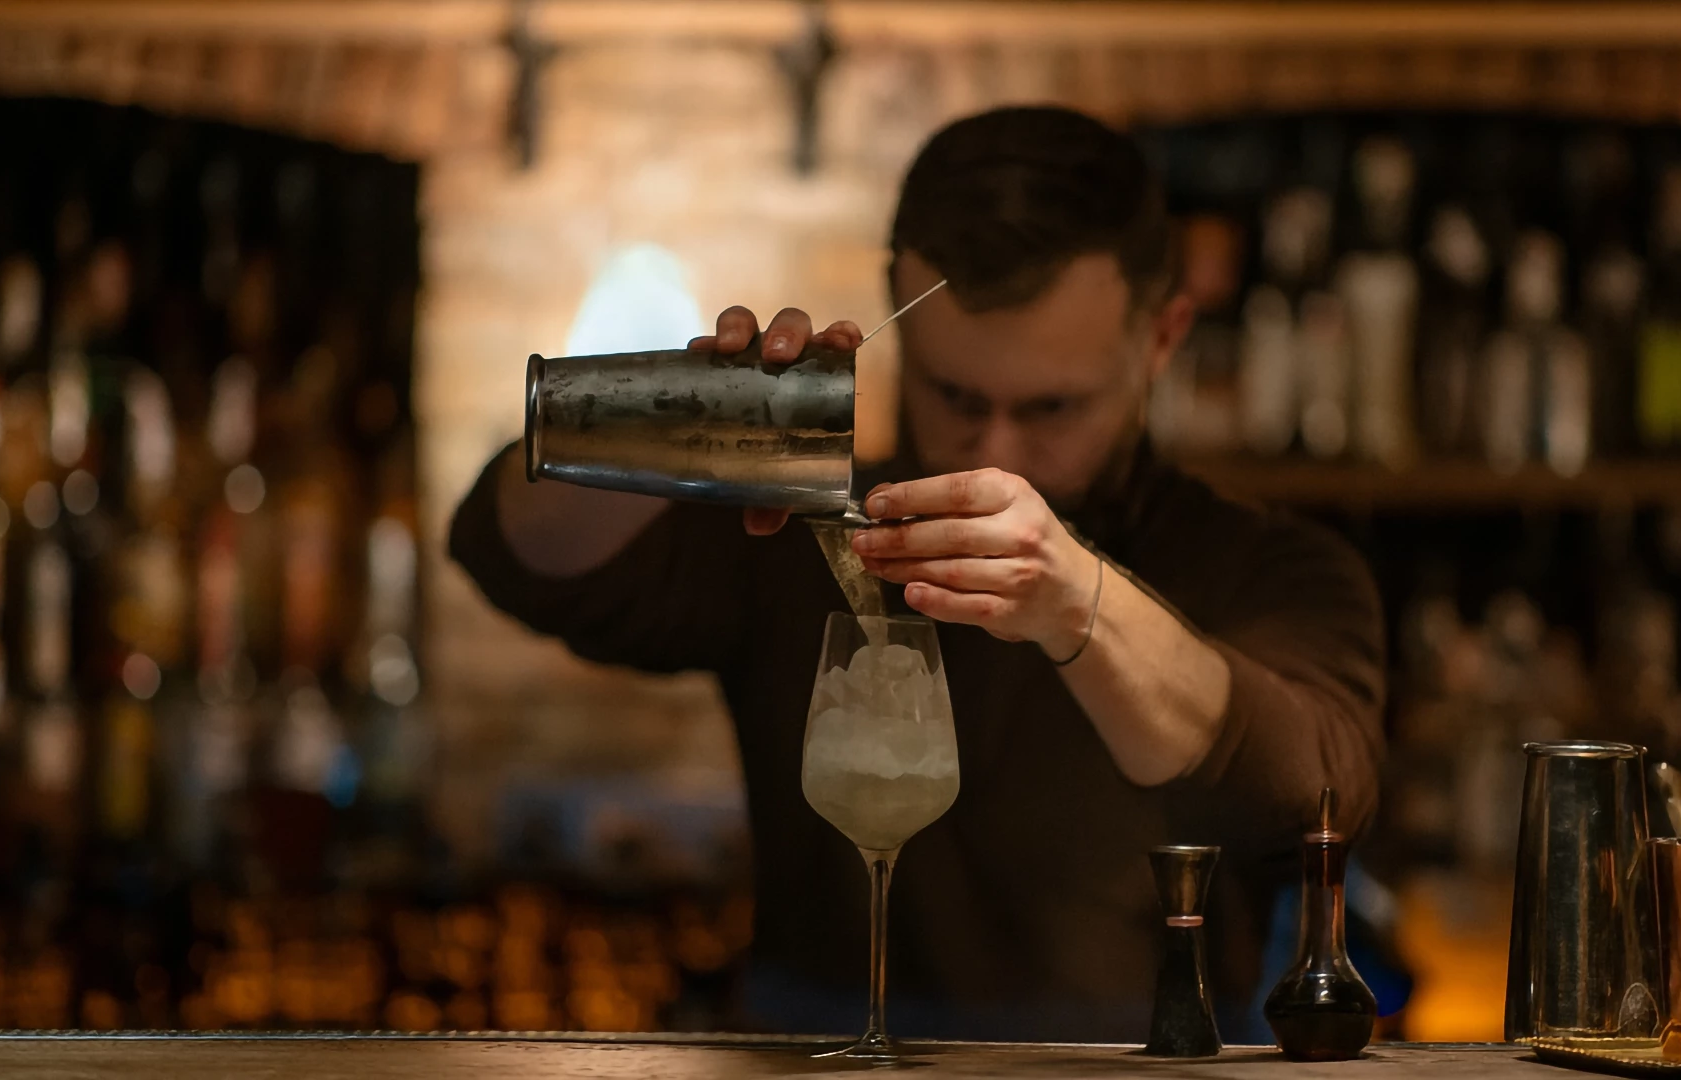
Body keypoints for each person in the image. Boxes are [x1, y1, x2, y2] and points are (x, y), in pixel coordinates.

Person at [449, 106, 1385, 1041]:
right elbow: (508, 554)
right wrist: (690, 418)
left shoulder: (1274, 569)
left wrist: (1078, 602)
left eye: (1052, 406)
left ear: (1163, 339)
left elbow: (1316, 797)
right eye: (955, 395)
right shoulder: (802, 524)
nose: (996, 450)